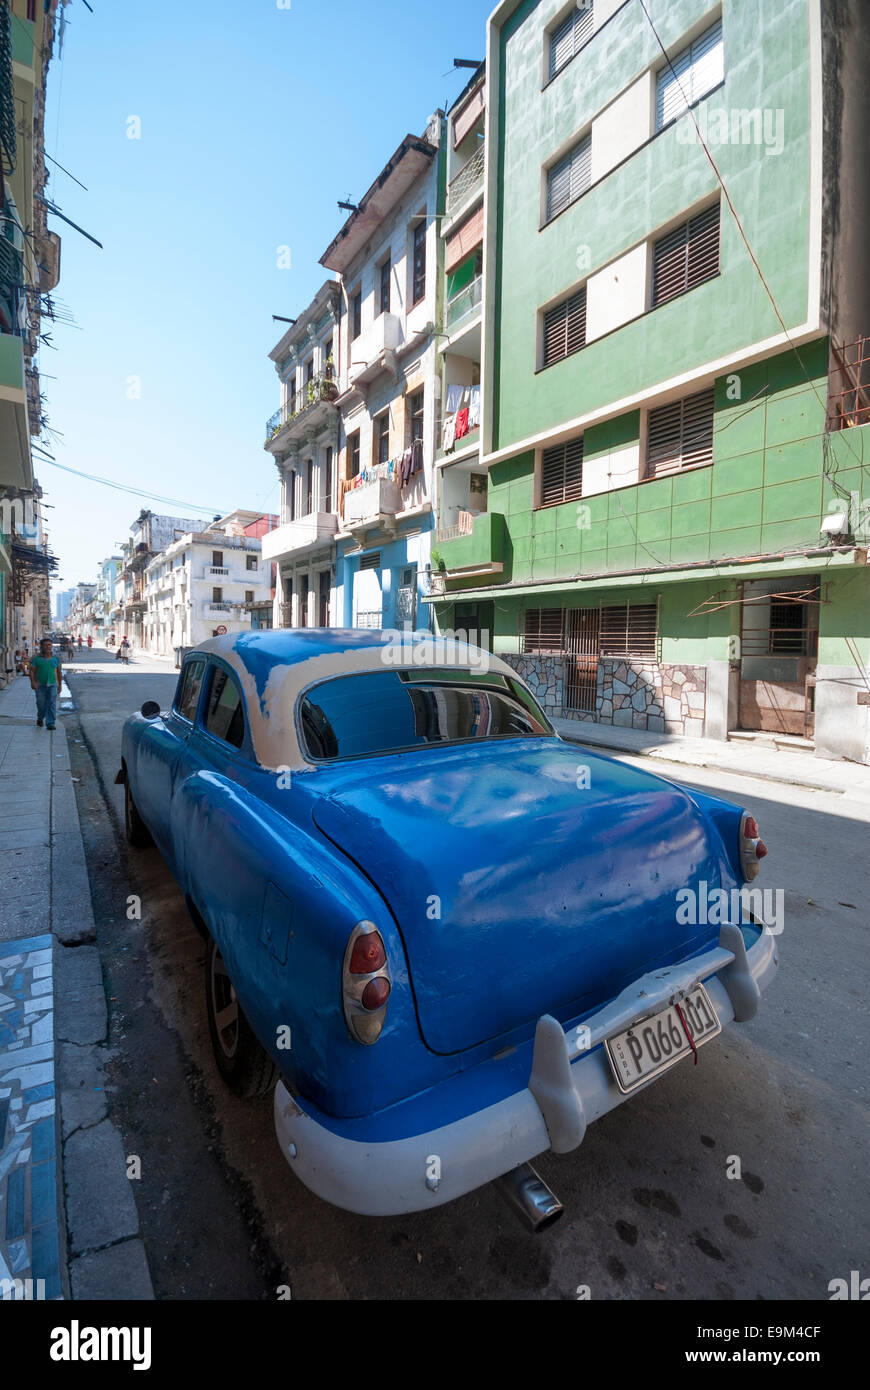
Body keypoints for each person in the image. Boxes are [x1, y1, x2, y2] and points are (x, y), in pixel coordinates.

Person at [29, 636, 62, 730]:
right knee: (41, 704)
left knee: (52, 704)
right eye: (46, 645)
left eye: (50, 645)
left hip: (52, 684)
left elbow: (59, 672)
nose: (48, 647)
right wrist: (33, 682)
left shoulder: (56, 658)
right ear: (41, 647)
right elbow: (31, 671)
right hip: (40, 685)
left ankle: (50, 723)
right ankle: (40, 718)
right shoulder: (36, 658)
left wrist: (59, 685)